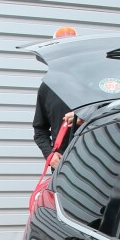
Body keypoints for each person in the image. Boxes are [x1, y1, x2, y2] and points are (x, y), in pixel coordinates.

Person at [32, 26, 77, 169]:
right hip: (61, 170)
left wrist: (82, 117)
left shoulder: (92, 84)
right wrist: (50, 155)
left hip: (92, 165)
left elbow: (106, 116)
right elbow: (39, 130)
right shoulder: (47, 88)